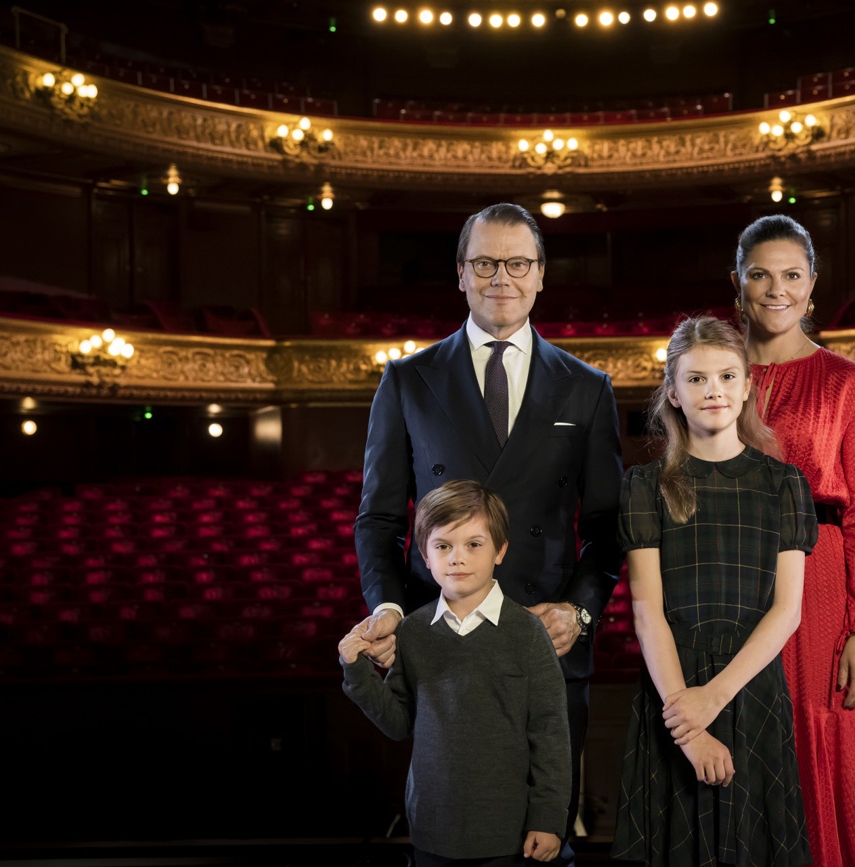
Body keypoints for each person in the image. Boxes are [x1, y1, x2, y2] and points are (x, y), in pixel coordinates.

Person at [352, 202, 623, 858]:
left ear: (540, 275)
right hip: (440, 648)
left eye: (517, 263)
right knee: (450, 832)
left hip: (546, 644)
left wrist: (579, 615)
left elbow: (610, 528)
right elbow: (380, 518)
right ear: (461, 273)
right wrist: (389, 607)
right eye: (485, 263)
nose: (501, 276)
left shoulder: (587, 387)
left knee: (543, 835)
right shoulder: (408, 380)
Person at [612, 315, 815, 867]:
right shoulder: (644, 485)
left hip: (750, 688)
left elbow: (787, 611)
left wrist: (713, 698)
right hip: (671, 692)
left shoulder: (784, 483)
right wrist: (689, 726)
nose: (714, 391)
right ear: (673, 393)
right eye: (696, 379)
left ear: (747, 385)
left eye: (727, 376)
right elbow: (647, 612)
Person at [732, 214, 855, 866]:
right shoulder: (713, 373)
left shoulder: (848, 381)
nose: (777, 289)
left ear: (812, 284)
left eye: (792, 275)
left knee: (817, 735)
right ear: (737, 282)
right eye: (760, 274)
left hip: (819, 586)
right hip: (728, 579)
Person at [340, 480, 571, 866]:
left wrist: (548, 819)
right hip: (433, 827)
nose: (457, 558)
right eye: (443, 546)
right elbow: (399, 723)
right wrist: (357, 672)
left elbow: (550, 734)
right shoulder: (412, 631)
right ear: (425, 556)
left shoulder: (528, 633)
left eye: (474, 545)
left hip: (507, 832)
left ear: (500, 550)